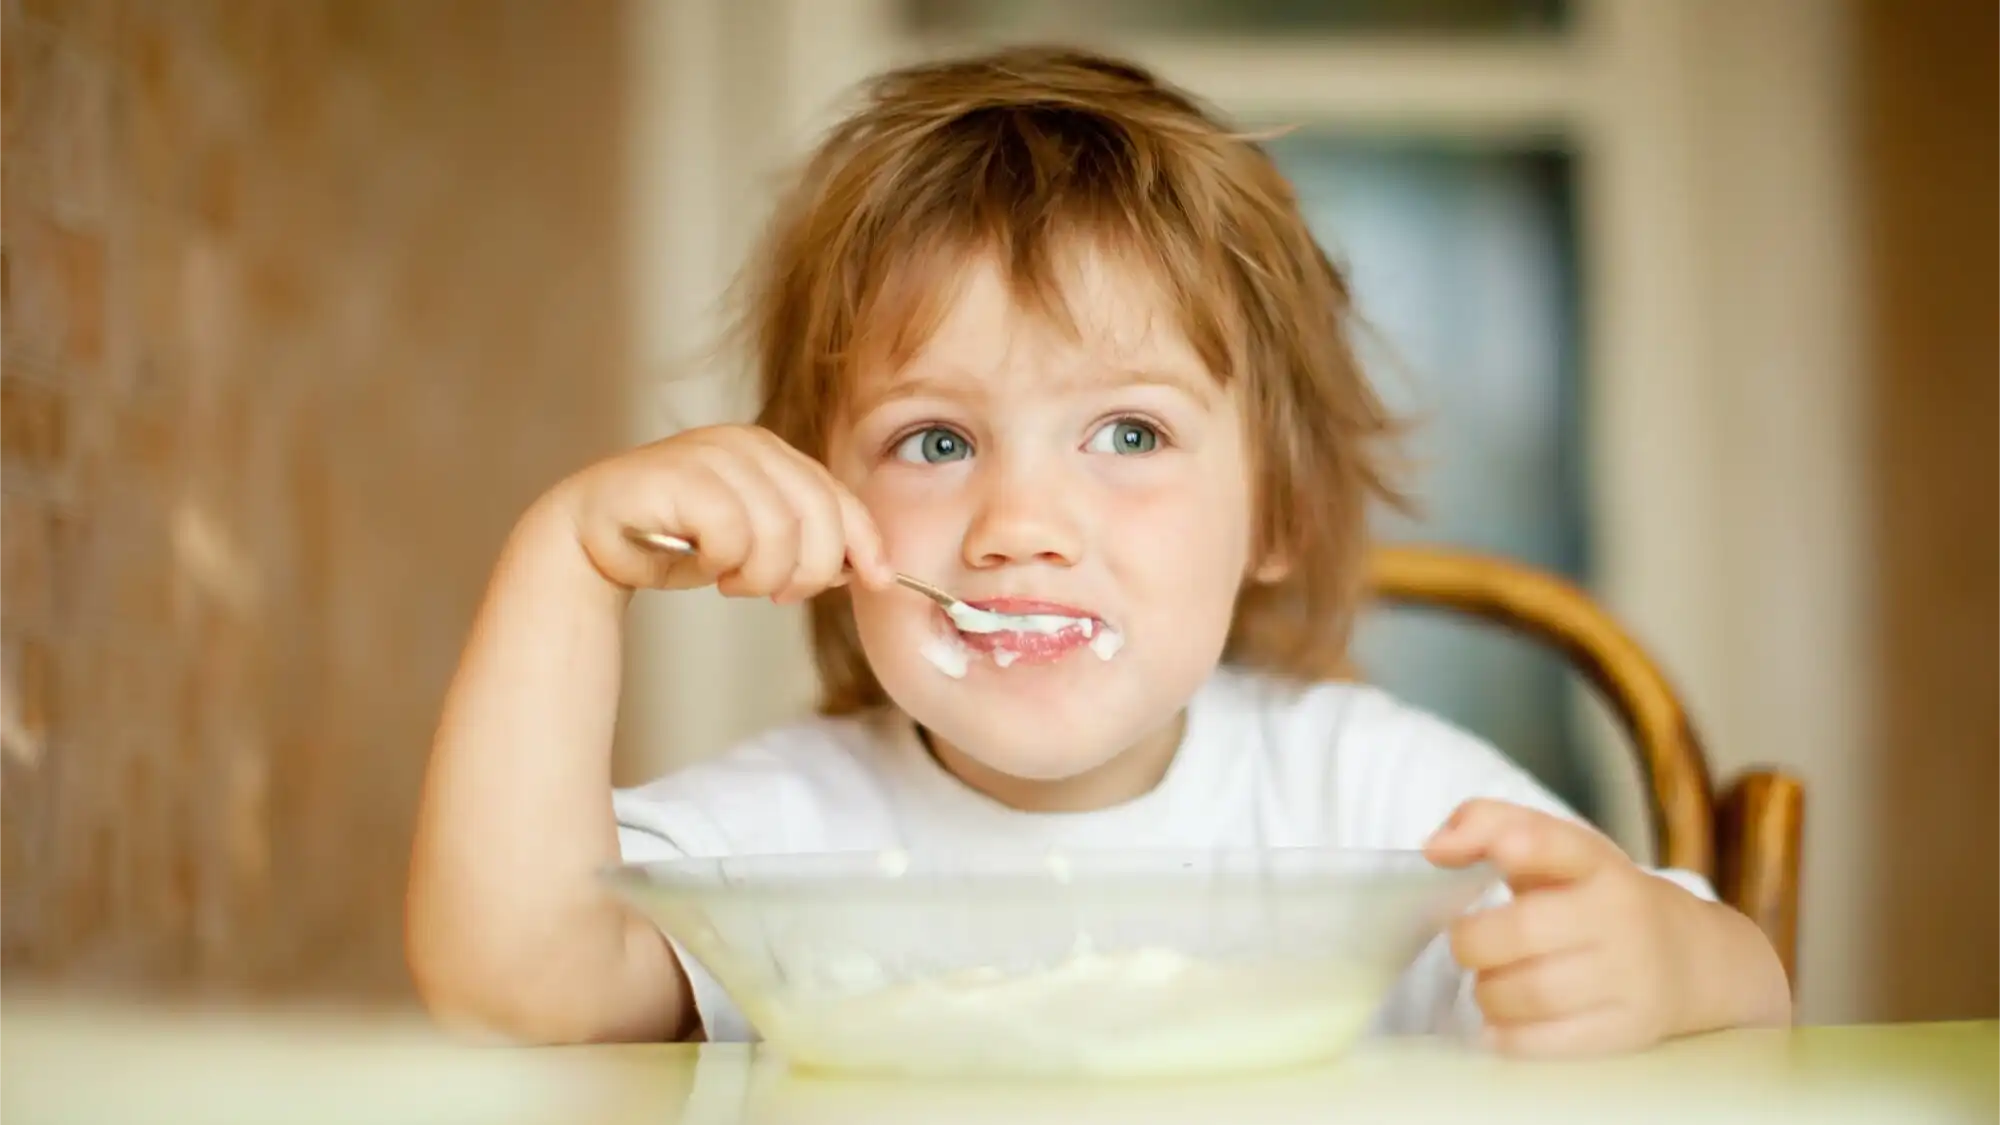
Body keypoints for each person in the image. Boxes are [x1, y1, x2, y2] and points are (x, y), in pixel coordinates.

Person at [404, 44, 1791, 1056]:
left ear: (1281, 514)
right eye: (936, 442)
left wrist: (1670, 966)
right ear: (820, 513)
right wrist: (564, 564)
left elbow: (1751, 986)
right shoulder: (793, 838)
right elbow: (514, 984)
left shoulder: (1365, 792)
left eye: (1128, 434)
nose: (1021, 527)